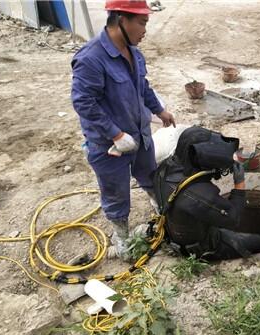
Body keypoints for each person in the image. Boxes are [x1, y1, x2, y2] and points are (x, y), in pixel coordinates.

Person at [71, 0, 176, 260]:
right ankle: (123, 239)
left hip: (140, 135)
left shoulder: (134, 53)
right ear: (120, 20)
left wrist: (159, 110)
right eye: (141, 23)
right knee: (116, 193)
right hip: (110, 146)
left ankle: (162, 215)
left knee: (151, 175)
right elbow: (83, 102)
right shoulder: (91, 58)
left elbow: (144, 87)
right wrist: (116, 134)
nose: (144, 30)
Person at [153, 126, 260, 260]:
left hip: (179, 231)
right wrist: (239, 183)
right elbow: (233, 218)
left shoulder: (164, 169)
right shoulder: (200, 195)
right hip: (200, 248)